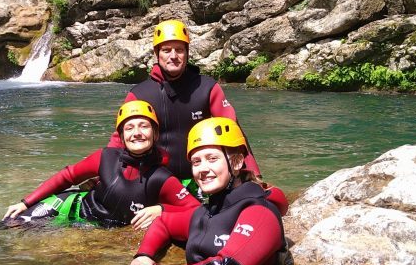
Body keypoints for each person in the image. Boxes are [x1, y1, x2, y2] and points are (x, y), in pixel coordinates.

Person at [110, 19, 287, 215]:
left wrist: (253, 174)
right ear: (156, 54)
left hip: (201, 177)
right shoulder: (140, 93)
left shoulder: (206, 87)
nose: (173, 56)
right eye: (166, 50)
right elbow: (120, 139)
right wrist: (106, 175)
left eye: (179, 50)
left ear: (187, 53)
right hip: (156, 179)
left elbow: (233, 131)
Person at [130, 117, 288, 265]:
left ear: (236, 162)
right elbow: (164, 222)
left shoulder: (260, 212)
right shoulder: (206, 212)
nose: (202, 169)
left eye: (212, 159)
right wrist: (144, 254)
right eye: (196, 162)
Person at [2, 100, 199, 228]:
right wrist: (25, 202)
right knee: (8, 226)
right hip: (70, 208)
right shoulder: (106, 157)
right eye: (129, 128)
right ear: (121, 136)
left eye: (144, 126)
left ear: (155, 134)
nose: (136, 133)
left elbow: (196, 210)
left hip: (95, 226)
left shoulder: (162, 177)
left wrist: (162, 210)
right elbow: (66, 177)